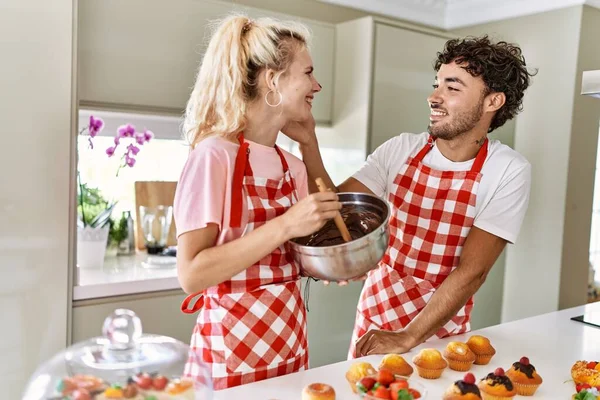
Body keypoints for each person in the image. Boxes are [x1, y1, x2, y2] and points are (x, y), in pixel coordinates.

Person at [283, 35, 536, 358]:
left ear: (493, 102)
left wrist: (408, 336)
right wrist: (308, 142)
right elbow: (335, 208)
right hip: (375, 322)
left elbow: (472, 271)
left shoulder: (507, 170)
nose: (434, 97)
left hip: (440, 336)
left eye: (452, 88)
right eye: (437, 84)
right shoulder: (401, 149)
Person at [173, 15, 341, 389]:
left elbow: (330, 234)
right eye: (308, 73)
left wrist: (310, 142)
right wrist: (284, 225)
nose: (317, 85)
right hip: (228, 362)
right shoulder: (214, 156)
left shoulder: (292, 165)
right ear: (272, 79)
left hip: (290, 350)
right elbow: (192, 274)